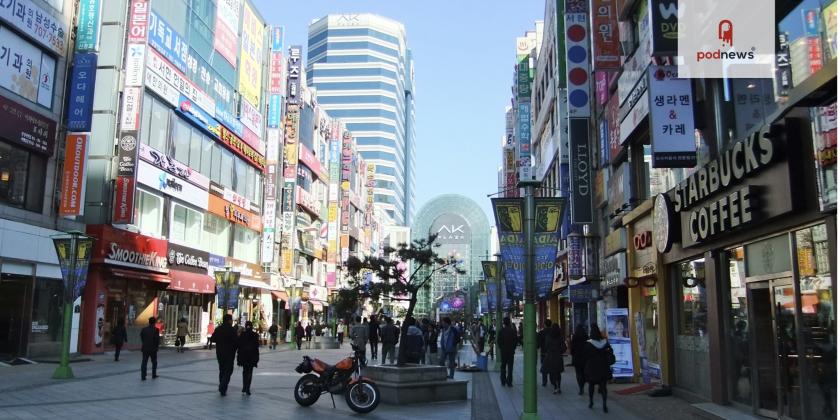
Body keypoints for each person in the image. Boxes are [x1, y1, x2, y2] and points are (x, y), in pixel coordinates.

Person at [584, 325, 613, 413]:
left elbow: (585, 356)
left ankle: (591, 402)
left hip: (592, 367)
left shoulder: (589, 344)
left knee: (591, 385)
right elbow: (610, 351)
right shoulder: (605, 342)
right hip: (603, 366)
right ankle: (604, 404)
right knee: (603, 387)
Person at [211, 314, 239, 396]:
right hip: (230, 354)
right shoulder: (232, 330)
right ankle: (223, 386)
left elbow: (213, 339)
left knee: (222, 370)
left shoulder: (218, 329)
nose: (232, 321)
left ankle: (222, 387)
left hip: (220, 353)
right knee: (228, 371)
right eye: (231, 320)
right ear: (229, 320)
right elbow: (236, 341)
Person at [237, 321, 260, 396]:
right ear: (252, 326)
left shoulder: (242, 335)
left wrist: (239, 357)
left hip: (244, 356)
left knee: (245, 371)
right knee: (250, 372)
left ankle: (244, 387)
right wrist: (257, 358)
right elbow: (256, 347)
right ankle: (247, 388)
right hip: (252, 357)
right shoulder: (255, 335)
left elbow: (239, 346)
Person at [543, 322, 567, 394]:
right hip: (558, 357)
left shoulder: (548, 337)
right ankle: (558, 386)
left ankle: (555, 386)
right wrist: (560, 351)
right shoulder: (560, 337)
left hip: (550, 356)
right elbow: (564, 347)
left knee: (552, 373)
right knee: (558, 373)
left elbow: (546, 346)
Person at [498, 317, 518, 387]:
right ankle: (509, 382)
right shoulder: (513, 331)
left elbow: (499, 341)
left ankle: (503, 381)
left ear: (503, 323)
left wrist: (501, 348)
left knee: (503, 366)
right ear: (509, 322)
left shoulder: (501, 331)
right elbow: (516, 341)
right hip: (511, 352)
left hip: (503, 352)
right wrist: (513, 348)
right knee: (510, 367)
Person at [570, 324, 589, 395]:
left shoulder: (575, 337)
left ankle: (581, 387)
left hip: (577, 358)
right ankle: (584, 382)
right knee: (584, 372)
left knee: (578, 373)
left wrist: (573, 354)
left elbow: (572, 349)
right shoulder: (586, 336)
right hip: (584, 358)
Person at [537, 320, 551, 386]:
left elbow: (538, 343)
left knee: (544, 367)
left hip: (544, 352)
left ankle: (544, 381)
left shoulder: (541, 332)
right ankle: (552, 380)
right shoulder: (554, 331)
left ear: (545, 324)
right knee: (552, 366)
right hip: (552, 352)